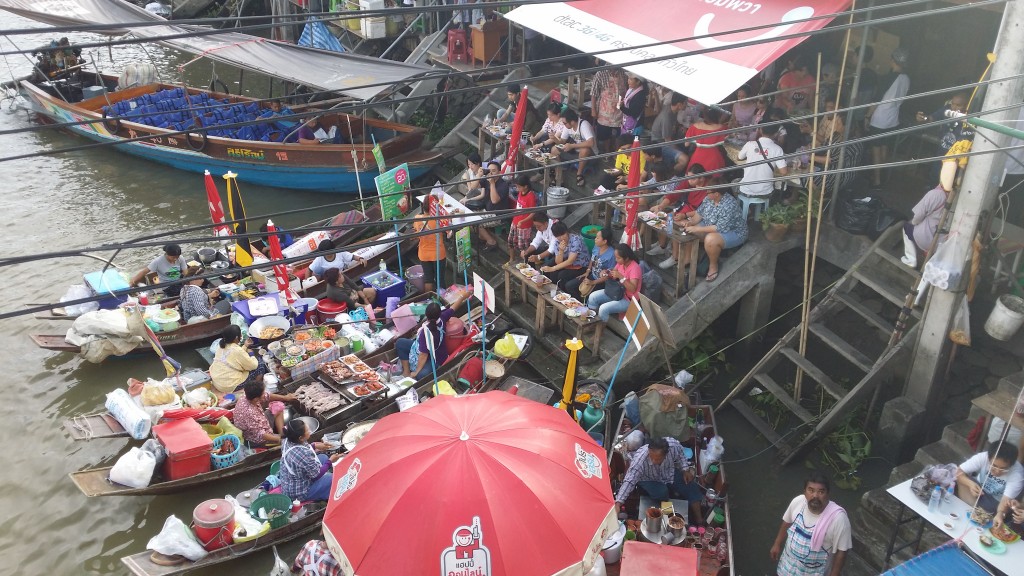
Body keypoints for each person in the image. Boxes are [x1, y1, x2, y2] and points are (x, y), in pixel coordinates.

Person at [770, 472, 852, 576]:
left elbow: (842, 551)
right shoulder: (798, 502)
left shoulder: (839, 519)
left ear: (828, 494)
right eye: (811, 490)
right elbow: (787, 521)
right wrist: (777, 543)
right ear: (804, 492)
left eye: (821, 492)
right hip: (788, 566)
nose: (815, 496)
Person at [612, 437, 706, 525]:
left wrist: (685, 469)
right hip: (647, 478)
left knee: (691, 486)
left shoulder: (673, 446)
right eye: (651, 457)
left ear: (666, 454)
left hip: (668, 473)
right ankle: (667, 515)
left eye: (657, 459)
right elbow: (629, 481)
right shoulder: (640, 460)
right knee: (662, 492)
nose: (652, 461)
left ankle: (699, 520)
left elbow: (681, 453)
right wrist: (618, 503)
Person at [669, 184, 748, 281]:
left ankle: (713, 266)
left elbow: (719, 228)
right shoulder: (708, 198)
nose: (706, 193)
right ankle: (685, 258)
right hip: (710, 225)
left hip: (734, 232)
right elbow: (699, 213)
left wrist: (696, 229)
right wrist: (691, 222)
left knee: (710, 239)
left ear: (717, 194)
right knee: (681, 225)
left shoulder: (729, 205)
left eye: (708, 192)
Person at [866, 48, 911, 188]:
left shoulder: (887, 78)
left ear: (893, 60)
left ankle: (877, 180)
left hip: (880, 118)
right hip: (893, 119)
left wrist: (867, 116)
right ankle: (882, 175)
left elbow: (876, 100)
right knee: (885, 147)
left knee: (876, 149)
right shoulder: (907, 79)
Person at [648, 165, 711, 255]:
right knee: (665, 217)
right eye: (688, 177)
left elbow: (702, 210)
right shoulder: (690, 182)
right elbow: (674, 194)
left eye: (692, 178)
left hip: (696, 215)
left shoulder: (709, 189)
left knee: (673, 223)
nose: (689, 180)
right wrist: (660, 206)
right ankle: (662, 245)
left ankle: (674, 254)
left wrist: (684, 215)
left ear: (702, 178)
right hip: (686, 208)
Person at [279, 419, 342, 502]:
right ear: (300, 437)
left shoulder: (287, 439)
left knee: (323, 457)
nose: (310, 431)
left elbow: (302, 447)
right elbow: (317, 475)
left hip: (292, 478)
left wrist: (317, 446)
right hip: (298, 492)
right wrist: (330, 461)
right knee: (332, 479)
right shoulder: (303, 454)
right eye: (308, 430)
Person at [956, 442, 1024, 514]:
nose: (997, 471)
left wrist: (1000, 514)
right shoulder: (983, 457)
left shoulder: (1017, 474)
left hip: (995, 501)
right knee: (962, 478)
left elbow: (1005, 501)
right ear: (988, 458)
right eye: (994, 466)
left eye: (1003, 469)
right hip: (979, 489)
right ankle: (970, 510)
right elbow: (958, 472)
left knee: (1000, 507)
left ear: (1012, 465)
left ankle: (975, 513)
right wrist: (970, 484)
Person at [395, 302, 455, 379]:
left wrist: (416, 372)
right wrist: (463, 296)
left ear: (426, 315)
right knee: (400, 343)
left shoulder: (425, 332)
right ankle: (406, 372)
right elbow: (453, 308)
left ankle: (412, 374)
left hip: (434, 359)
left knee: (421, 375)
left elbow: (423, 354)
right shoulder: (442, 318)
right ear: (439, 314)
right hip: (424, 352)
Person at [587, 243, 642, 322]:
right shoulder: (621, 264)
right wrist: (606, 272)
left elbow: (633, 289)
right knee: (593, 297)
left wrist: (621, 277)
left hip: (628, 299)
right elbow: (613, 271)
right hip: (616, 292)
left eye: (618, 258)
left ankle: (599, 330)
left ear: (626, 258)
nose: (616, 260)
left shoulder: (635, 268)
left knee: (603, 309)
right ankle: (591, 322)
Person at [232, 379, 295, 447]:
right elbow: (261, 434)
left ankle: (282, 434)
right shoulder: (249, 413)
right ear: (256, 399)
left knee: (278, 406)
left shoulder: (247, 396)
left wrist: (286, 398)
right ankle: (281, 438)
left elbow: (268, 396)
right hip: (256, 439)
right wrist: (280, 440)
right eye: (263, 393)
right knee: (289, 441)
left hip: (260, 421)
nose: (265, 394)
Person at [900, 183, 948, 267]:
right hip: (942, 244)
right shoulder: (958, 198)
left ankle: (911, 260)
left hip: (926, 238)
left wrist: (913, 222)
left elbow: (918, 216)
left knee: (906, 227)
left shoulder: (936, 194)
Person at [736, 123, 789, 200]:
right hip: (765, 192)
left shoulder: (750, 144)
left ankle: (746, 207)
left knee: (734, 182)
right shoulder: (777, 149)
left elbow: (739, 157)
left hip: (746, 190)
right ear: (776, 134)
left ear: (760, 130)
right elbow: (783, 172)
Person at [210, 325, 268, 393]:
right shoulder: (237, 350)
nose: (241, 336)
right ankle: (256, 389)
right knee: (260, 364)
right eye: (240, 335)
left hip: (217, 381)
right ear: (236, 337)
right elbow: (253, 365)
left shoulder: (222, 345)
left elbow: (234, 355)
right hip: (229, 385)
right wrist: (251, 354)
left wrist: (245, 346)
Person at [564, 228, 616, 300]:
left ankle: (583, 305)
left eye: (597, 238)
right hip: (592, 275)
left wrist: (593, 282)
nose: (595, 239)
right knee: (569, 285)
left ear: (604, 241)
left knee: (588, 297)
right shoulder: (596, 246)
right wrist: (587, 271)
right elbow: (592, 259)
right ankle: (579, 303)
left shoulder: (612, 255)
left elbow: (609, 276)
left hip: (601, 282)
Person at [553, 108, 597, 187]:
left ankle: (579, 174)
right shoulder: (567, 127)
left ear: (572, 122)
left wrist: (572, 146)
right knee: (554, 149)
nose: (564, 125)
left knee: (585, 150)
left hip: (591, 155)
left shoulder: (584, 125)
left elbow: (591, 143)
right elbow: (562, 141)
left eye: (565, 123)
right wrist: (554, 139)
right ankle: (559, 177)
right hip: (575, 151)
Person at [538, 222, 589, 288]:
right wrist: (561, 251)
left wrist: (553, 268)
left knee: (562, 275)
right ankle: (552, 290)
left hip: (581, 266)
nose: (561, 238)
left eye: (563, 234)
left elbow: (570, 260)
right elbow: (558, 262)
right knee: (552, 272)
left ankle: (563, 294)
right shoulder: (557, 242)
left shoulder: (575, 240)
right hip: (568, 265)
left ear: (566, 231)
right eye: (558, 236)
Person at [413, 195, 448, 293]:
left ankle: (427, 299)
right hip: (438, 254)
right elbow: (449, 232)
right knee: (440, 278)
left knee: (428, 278)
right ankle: (442, 302)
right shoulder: (439, 219)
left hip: (423, 254)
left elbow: (416, 230)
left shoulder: (417, 219)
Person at [590, 62, 627, 154]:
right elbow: (594, 94)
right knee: (605, 134)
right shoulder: (600, 73)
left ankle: (616, 152)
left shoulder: (623, 73)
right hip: (604, 110)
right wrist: (593, 110)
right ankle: (607, 152)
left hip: (619, 110)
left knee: (619, 134)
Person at [477, 161, 512, 251]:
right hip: (487, 211)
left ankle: (491, 241)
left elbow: (494, 200)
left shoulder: (503, 185)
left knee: (476, 223)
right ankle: (482, 237)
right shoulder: (487, 179)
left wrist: (492, 183)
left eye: (494, 171)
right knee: (469, 215)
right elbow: (473, 187)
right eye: (489, 171)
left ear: (499, 172)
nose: (491, 173)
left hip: (498, 215)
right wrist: (478, 175)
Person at [685, 107, 728, 176]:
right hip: (714, 160)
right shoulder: (722, 128)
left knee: (693, 179)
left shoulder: (695, 126)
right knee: (712, 182)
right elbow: (727, 142)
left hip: (698, 158)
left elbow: (686, 144)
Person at [508, 175, 538, 258]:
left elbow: (532, 213)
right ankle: (511, 259)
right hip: (515, 221)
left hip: (524, 225)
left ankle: (526, 263)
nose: (517, 189)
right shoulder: (521, 192)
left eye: (519, 187)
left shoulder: (531, 196)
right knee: (511, 241)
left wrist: (522, 221)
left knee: (523, 247)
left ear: (526, 186)